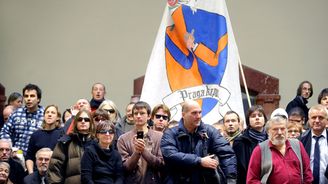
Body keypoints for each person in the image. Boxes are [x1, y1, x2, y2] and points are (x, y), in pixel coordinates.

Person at [161, 100, 237, 184]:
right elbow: (170, 155)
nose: (198, 116)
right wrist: (199, 161)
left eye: (200, 112)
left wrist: (231, 180)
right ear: (183, 115)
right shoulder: (170, 134)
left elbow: (227, 154)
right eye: (194, 113)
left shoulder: (210, 131)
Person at [246, 116, 313, 183]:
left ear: (286, 130)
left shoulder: (297, 145)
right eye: (275, 129)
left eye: (282, 129)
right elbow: (252, 180)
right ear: (268, 132)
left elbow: (307, 173)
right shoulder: (260, 150)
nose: (279, 132)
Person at [117, 101, 164, 184]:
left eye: (142, 113)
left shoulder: (159, 137)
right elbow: (125, 167)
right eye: (135, 113)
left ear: (149, 116)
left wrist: (143, 151)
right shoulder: (123, 139)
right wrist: (137, 152)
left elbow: (161, 164)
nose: (138, 116)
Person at [48, 109, 96, 184]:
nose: (83, 121)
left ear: (91, 123)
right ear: (75, 122)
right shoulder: (65, 142)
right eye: (80, 119)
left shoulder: (97, 143)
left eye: (86, 120)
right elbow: (55, 169)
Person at [0, 83, 44, 155]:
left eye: (32, 96)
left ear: (38, 99)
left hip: (35, 157)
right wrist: (11, 148)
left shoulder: (44, 115)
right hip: (16, 154)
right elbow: (4, 131)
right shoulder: (17, 113)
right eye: (26, 96)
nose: (29, 99)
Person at [232, 105, 268, 184]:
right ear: (248, 121)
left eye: (260, 115)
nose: (257, 118)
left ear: (265, 120)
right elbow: (240, 169)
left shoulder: (271, 140)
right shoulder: (240, 142)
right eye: (253, 116)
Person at [26, 105, 63, 174]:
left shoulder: (62, 134)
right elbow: (29, 157)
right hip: (37, 172)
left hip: (56, 173)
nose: (49, 114)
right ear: (44, 116)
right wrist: (31, 174)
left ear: (58, 117)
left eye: (53, 113)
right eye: (47, 112)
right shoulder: (35, 135)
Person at [300, 104, 328, 184]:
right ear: (309, 120)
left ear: (327, 120)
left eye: (321, 117)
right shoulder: (301, 140)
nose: (317, 120)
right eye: (313, 117)